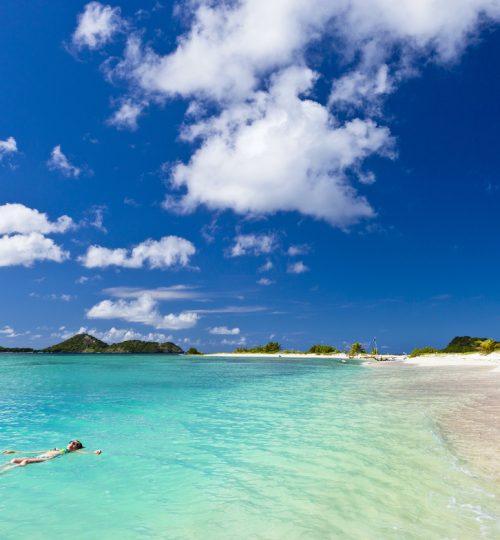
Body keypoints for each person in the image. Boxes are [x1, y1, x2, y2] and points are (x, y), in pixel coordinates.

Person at [1, 440, 101, 473]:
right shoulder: (57, 449)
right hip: (40, 456)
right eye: (71, 442)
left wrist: (95, 452)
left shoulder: (71, 452)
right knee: (14, 459)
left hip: (45, 459)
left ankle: (2, 472)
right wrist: (15, 451)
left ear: (76, 448)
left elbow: (84, 453)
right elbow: (37, 451)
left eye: (74, 443)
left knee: (25, 462)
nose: (72, 443)